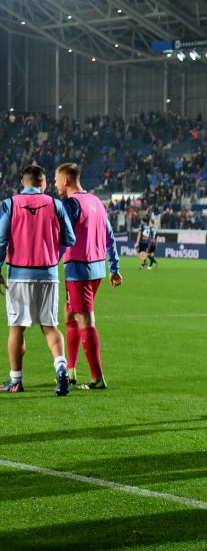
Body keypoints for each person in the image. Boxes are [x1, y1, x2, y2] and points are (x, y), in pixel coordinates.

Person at [0, 165, 76, 395]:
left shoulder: (10, 204)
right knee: (50, 327)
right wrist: (53, 255)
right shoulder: (56, 204)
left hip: (19, 276)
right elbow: (70, 238)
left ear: (22, 183)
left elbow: (1, 241)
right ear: (42, 183)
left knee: (17, 328)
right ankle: (61, 370)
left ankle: (16, 380)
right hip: (48, 274)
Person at [55, 163, 121, 390]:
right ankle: (71, 371)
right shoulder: (96, 201)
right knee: (70, 316)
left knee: (84, 320)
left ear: (66, 180)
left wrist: (50, 261)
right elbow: (110, 236)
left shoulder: (70, 204)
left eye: (56, 180)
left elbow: (62, 238)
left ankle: (97, 378)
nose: (55, 184)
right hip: (96, 270)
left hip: (78, 271)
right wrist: (114, 268)